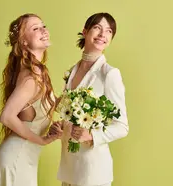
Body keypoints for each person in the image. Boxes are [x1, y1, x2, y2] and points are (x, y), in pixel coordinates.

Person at [53, 12, 129, 186]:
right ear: (85, 32)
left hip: (92, 169)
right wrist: (61, 126)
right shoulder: (72, 70)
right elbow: (71, 113)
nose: (103, 34)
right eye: (97, 28)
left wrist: (92, 135)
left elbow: (122, 126)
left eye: (109, 31)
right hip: (69, 167)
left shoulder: (109, 74)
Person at [0, 13, 63, 186]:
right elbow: (7, 116)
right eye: (35, 28)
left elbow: (55, 105)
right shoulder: (31, 76)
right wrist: (42, 140)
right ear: (23, 41)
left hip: (24, 157)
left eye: (43, 26)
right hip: (16, 158)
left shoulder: (38, 72)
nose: (44, 30)